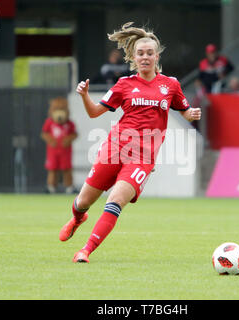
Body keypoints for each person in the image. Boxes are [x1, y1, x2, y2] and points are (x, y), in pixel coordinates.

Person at [58, 22, 201, 263]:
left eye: (149, 53)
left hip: (143, 157)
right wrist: (83, 96)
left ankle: (85, 250)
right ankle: (77, 218)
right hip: (115, 149)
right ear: (133, 57)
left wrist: (191, 114)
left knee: (115, 201)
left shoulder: (171, 85)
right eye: (140, 53)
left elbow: (184, 110)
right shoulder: (124, 85)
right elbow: (94, 113)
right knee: (83, 202)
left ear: (157, 56)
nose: (145, 57)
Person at [41, 97, 77, 194]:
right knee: (52, 169)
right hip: (53, 151)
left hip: (65, 151)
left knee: (67, 169)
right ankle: (51, 187)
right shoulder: (49, 122)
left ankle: (69, 186)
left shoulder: (69, 124)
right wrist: (51, 140)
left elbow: (74, 134)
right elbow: (44, 133)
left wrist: (68, 139)